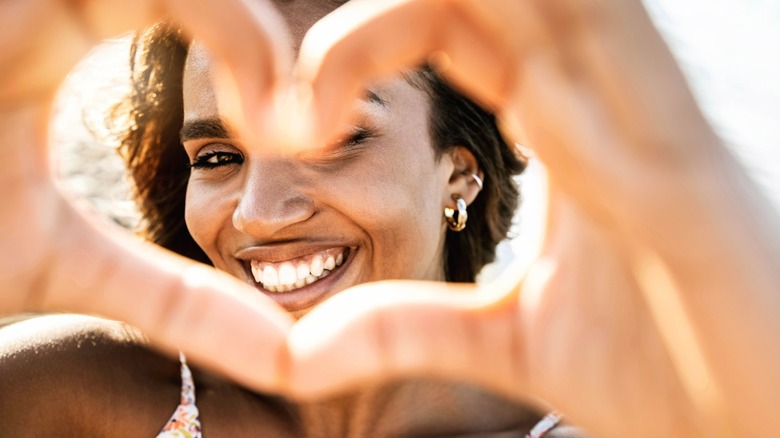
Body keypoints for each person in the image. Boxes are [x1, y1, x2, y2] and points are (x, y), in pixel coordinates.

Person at [1, 0, 779, 437]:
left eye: (337, 140)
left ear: (459, 173)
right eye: (216, 157)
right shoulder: (66, 392)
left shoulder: (625, 419)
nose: (260, 212)